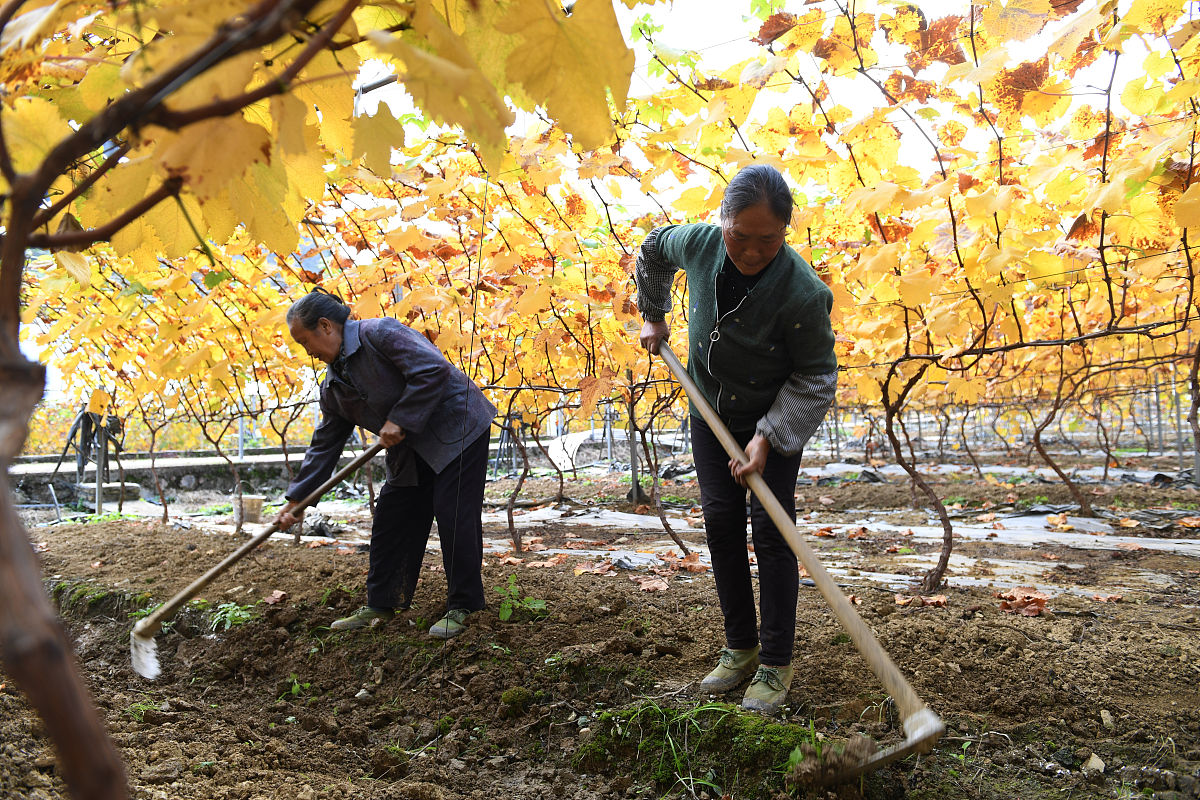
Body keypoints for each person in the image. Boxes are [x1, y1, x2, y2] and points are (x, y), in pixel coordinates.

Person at [634, 164, 837, 714]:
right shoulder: (699, 244)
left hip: (772, 417)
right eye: (738, 236)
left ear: (785, 233)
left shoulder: (802, 293)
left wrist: (768, 438)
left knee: (771, 531)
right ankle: (740, 649)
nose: (750, 251)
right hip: (710, 410)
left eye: (766, 240)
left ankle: (775, 663)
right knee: (721, 523)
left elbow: (816, 377)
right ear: (722, 223)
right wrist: (654, 314)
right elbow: (652, 249)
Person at [274, 289, 497, 639]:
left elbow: (432, 368)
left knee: (453, 513)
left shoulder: (379, 333)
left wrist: (400, 418)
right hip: (410, 448)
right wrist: (298, 499)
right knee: (393, 515)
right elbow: (325, 444)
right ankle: (382, 603)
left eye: (306, 342)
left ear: (325, 325)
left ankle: (465, 605)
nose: (309, 353)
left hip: (457, 427)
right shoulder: (333, 385)